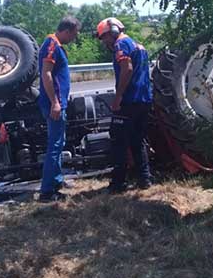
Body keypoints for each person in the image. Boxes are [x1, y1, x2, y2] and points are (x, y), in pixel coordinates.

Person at [95, 17, 153, 192]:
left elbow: (126, 70)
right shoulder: (138, 46)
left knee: (118, 140)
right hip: (144, 101)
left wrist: (118, 96)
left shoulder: (121, 45)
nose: (104, 41)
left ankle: (118, 183)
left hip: (129, 101)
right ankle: (145, 179)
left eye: (104, 37)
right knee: (137, 141)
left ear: (113, 32)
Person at [37, 16, 81, 201]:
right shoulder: (52, 45)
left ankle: (57, 180)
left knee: (59, 142)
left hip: (58, 102)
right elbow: (46, 73)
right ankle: (47, 191)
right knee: (55, 145)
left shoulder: (54, 45)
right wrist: (55, 102)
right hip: (53, 103)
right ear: (67, 31)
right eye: (74, 34)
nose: (74, 38)